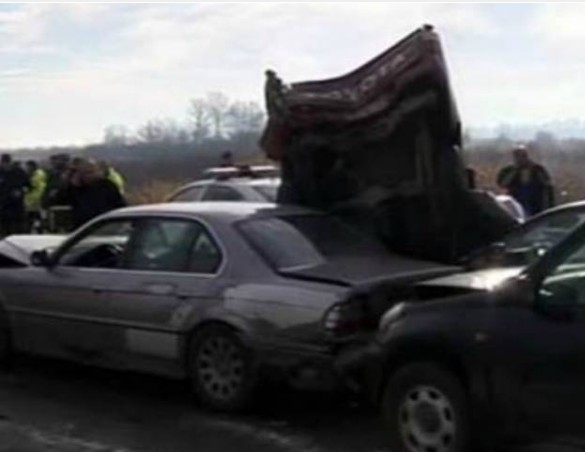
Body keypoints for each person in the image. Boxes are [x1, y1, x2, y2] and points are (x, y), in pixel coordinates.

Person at [54, 159, 126, 230]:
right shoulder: (73, 189)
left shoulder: (107, 185)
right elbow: (57, 202)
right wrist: (72, 186)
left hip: (105, 225)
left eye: (92, 172)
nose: (90, 176)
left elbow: (120, 204)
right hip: (83, 228)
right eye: (86, 173)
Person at [497, 145, 553, 217]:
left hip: (535, 204)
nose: (521, 159)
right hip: (516, 203)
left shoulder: (537, 169)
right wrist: (515, 171)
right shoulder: (509, 170)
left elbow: (547, 184)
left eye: (523, 156)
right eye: (518, 156)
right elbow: (502, 184)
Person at [0, 154, 29, 236]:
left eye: (7, 162)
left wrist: (21, 191)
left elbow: (28, 186)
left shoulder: (19, 172)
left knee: (17, 231)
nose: (6, 165)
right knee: (3, 231)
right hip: (3, 207)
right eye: (4, 162)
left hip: (17, 206)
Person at [24, 160, 47, 233]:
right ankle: (35, 229)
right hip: (31, 200)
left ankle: (40, 230)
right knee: (33, 216)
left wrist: (36, 198)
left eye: (28, 166)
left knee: (37, 216)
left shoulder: (38, 174)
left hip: (36, 200)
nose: (27, 168)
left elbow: (38, 186)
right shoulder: (32, 174)